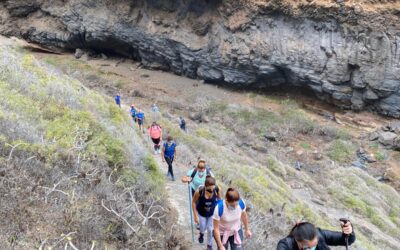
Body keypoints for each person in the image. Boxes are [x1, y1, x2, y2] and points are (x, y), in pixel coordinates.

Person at [276, 220, 356, 250]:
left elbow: (348, 240)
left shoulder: (319, 234)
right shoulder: (285, 245)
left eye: (314, 246)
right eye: (307, 248)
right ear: (297, 240)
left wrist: (349, 232)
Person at [192, 176, 222, 250]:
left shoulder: (217, 189)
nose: (212, 189)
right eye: (210, 188)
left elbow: (219, 201)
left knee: (210, 229)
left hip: (212, 213)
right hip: (202, 213)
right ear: (205, 186)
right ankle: (201, 234)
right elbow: (193, 202)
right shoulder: (199, 191)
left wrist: (220, 214)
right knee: (202, 227)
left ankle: (209, 245)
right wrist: (195, 216)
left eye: (213, 187)